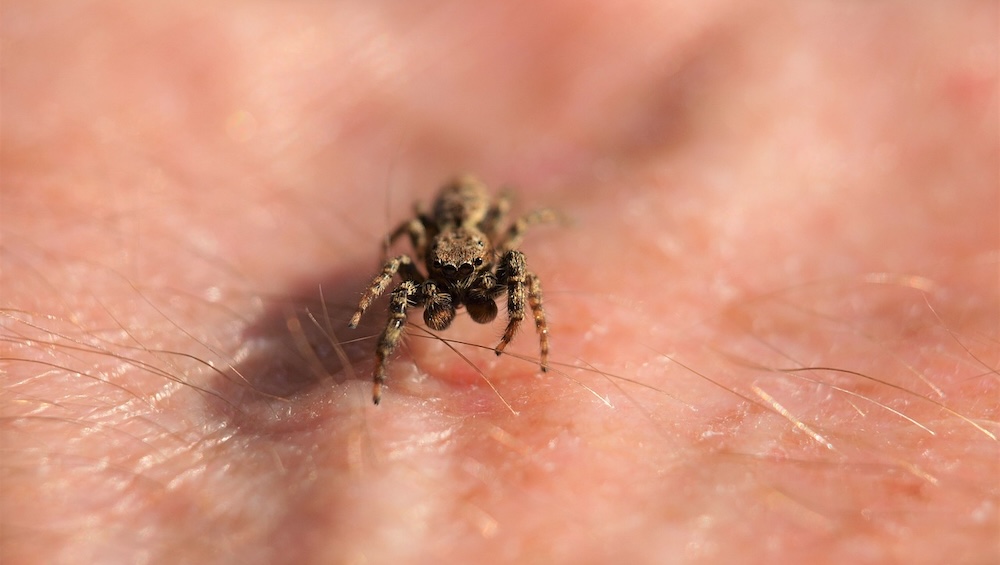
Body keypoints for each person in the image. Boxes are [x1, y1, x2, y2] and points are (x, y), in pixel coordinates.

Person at [3, 1, 997, 563]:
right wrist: (372, 356)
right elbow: (407, 255)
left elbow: (506, 250)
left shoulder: (497, 249)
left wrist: (539, 353)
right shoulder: (428, 256)